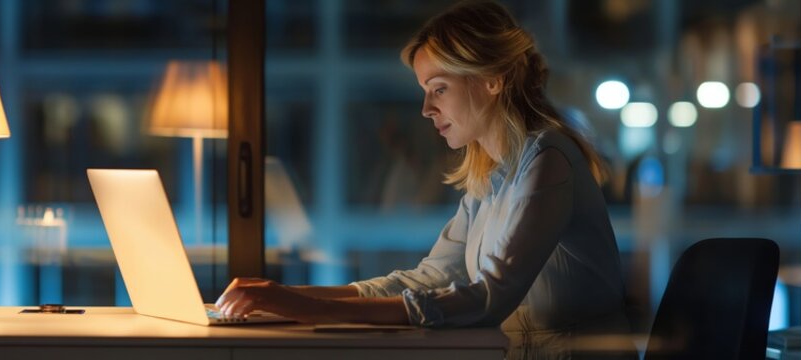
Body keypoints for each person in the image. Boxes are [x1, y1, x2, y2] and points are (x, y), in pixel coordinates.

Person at [217, 0, 633, 357]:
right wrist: (287, 297)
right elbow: (429, 279)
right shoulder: (490, 177)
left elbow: (490, 298)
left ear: (492, 80)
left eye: (439, 89)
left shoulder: (548, 159)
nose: (426, 109)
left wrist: (314, 309)